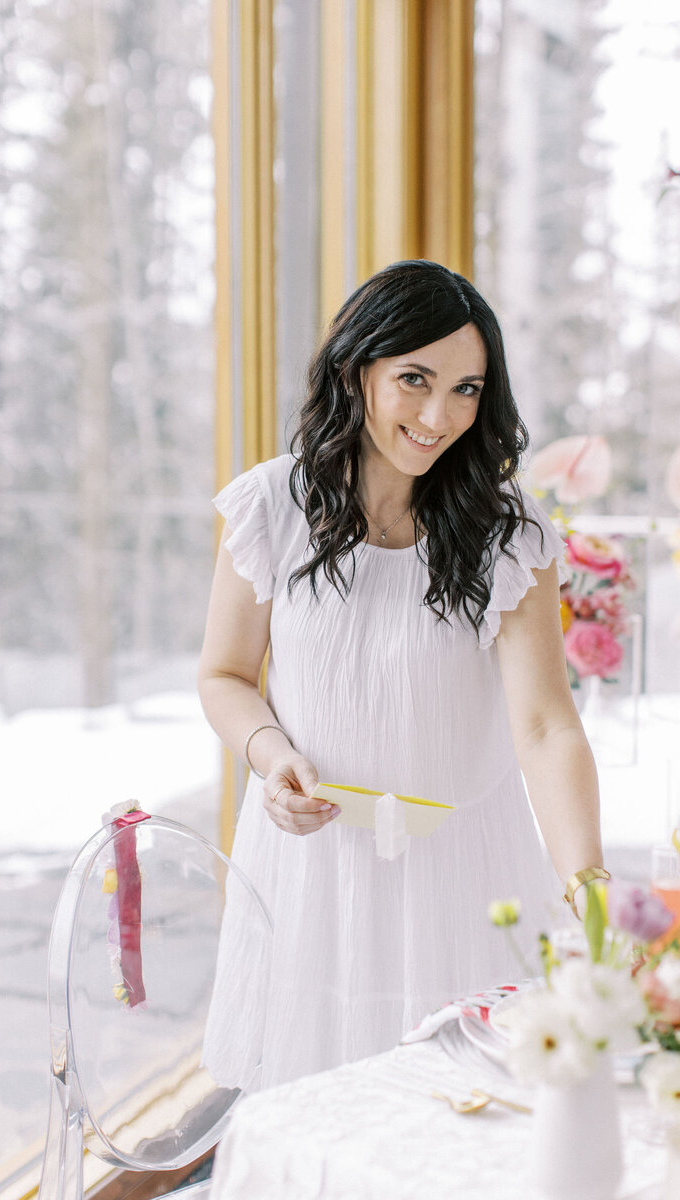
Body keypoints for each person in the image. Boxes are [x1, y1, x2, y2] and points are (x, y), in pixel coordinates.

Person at [198, 259, 606, 1090]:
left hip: (465, 868)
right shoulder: (272, 506)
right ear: (358, 370)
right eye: (414, 379)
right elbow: (226, 675)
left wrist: (587, 884)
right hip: (317, 873)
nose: (438, 415)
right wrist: (272, 757)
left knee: (470, 1116)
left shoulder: (506, 531)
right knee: (319, 1117)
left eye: (466, 389)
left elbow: (545, 725)